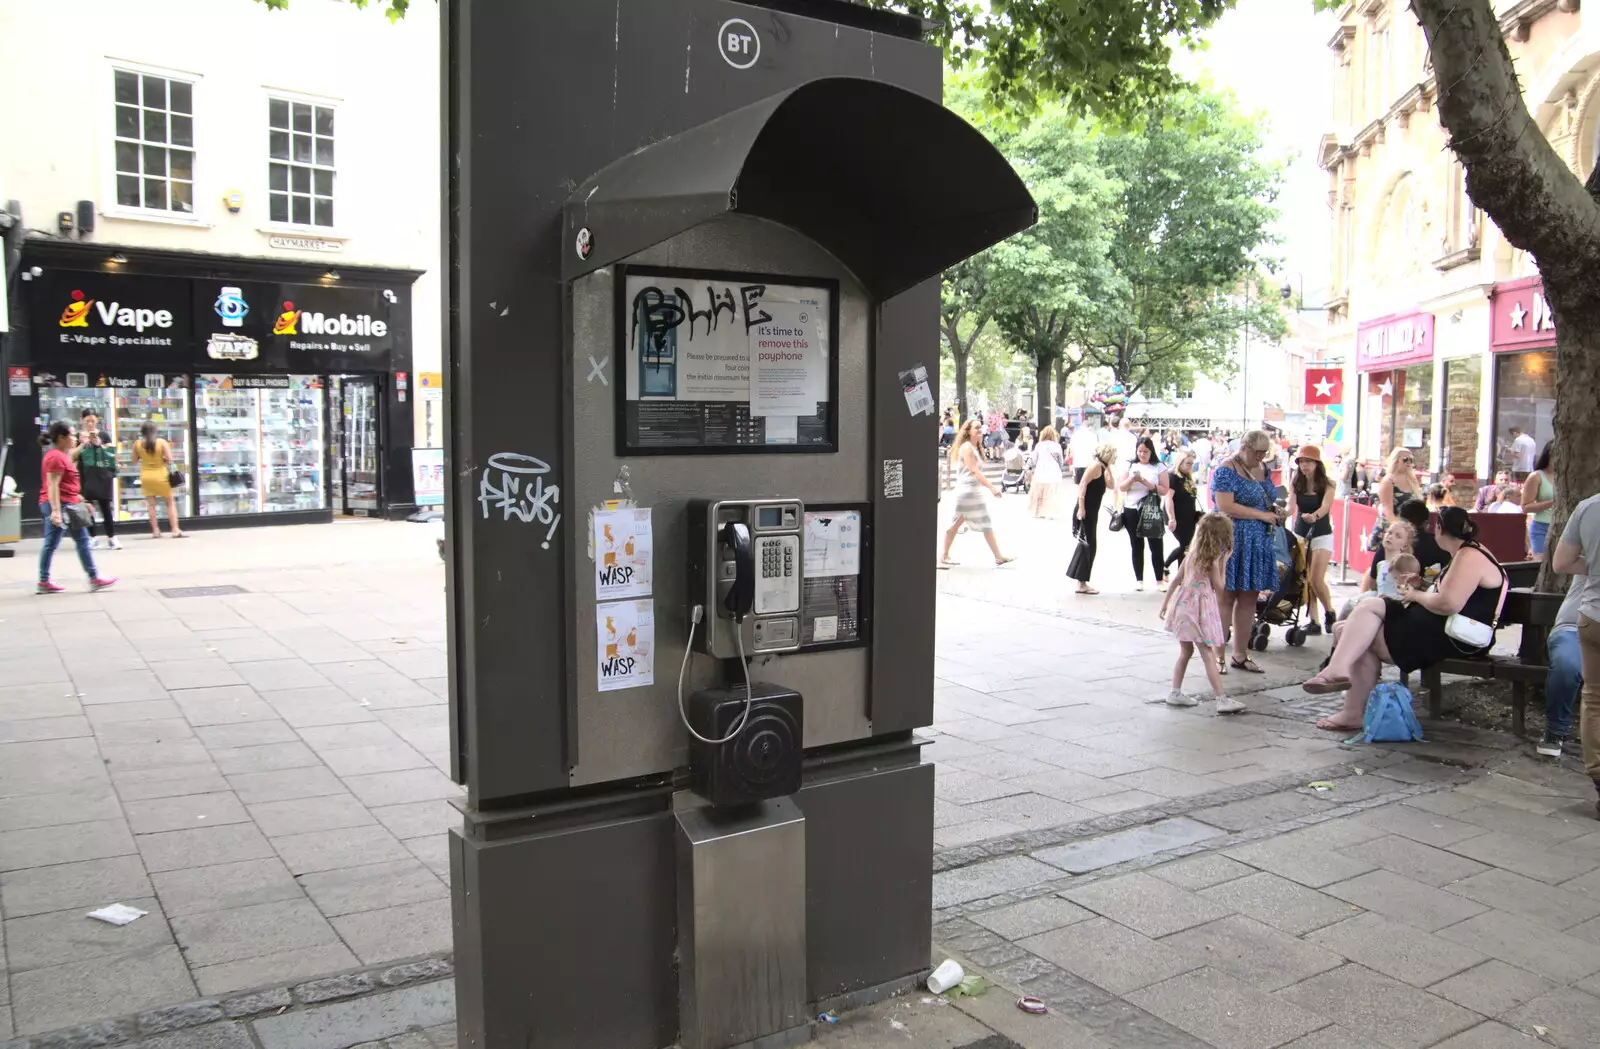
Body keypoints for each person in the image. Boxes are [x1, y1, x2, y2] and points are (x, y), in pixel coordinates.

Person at [1305, 507, 1507, 732]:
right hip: (1437, 629)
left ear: (1440, 529)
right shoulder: (1465, 553)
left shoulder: (1469, 556)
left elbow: (1448, 604)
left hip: (1454, 638)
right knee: (1349, 625)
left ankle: (1342, 687)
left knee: (1362, 622)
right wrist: (1423, 584)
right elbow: (1454, 595)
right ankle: (1345, 693)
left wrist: (1415, 594)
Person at [1211, 430, 1285, 674]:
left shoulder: (1262, 469)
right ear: (1244, 448)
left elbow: (1265, 499)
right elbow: (1225, 506)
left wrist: (1275, 511)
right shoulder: (1226, 470)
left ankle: (1240, 654)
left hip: (1258, 541)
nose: (1261, 458)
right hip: (1232, 538)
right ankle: (1218, 656)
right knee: (1226, 597)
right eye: (1257, 453)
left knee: (1249, 598)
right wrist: (1262, 515)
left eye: (1264, 453)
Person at [1159, 513, 1246, 713]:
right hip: (1199, 611)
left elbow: (1176, 580)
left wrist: (1165, 604)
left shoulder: (1191, 555)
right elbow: (1221, 587)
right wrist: (1224, 562)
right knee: (1207, 653)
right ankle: (1222, 699)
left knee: (1186, 652)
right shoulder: (1212, 560)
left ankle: (1175, 692)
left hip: (1182, 608)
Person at [1551, 491, 1600, 814]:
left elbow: (1561, 563)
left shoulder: (1588, 507)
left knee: (1595, 698)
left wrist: (1594, 565)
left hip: (1593, 616)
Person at [37, 421, 117, 595]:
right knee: (79, 540)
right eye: (71, 435)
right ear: (61, 438)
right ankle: (93, 577)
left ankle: (44, 581)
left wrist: (81, 500)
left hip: (67, 503)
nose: (74, 438)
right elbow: (53, 486)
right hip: (62, 506)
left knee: (53, 543)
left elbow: (66, 485)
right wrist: (56, 511)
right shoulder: (55, 457)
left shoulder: (62, 455)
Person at [940, 417, 1013, 567]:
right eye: (976, 428)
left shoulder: (974, 447)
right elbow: (974, 471)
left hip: (971, 492)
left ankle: (997, 556)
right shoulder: (967, 448)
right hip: (968, 492)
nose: (980, 430)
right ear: (969, 432)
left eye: (980, 427)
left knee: (969, 523)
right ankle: (944, 555)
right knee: (962, 523)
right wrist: (991, 487)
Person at [1538, 570, 1587, 759]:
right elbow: (1560, 562)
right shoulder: (1593, 551)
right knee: (1566, 666)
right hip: (1573, 629)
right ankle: (1555, 731)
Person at [1292, 445, 1338, 634]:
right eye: (1302, 461)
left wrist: (1314, 516)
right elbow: (1290, 505)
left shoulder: (1328, 484)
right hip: (1301, 532)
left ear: (1317, 463)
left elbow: (1326, 506)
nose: (1305, 466)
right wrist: (1281, 512)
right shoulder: (1296, 482)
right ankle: (1314, 621)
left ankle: (1330, 611)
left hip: (1321, 532)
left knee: (1316, 579)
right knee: (1306, 580)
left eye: (1309, 461)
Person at [1117, 437, 1170, 591]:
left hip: (1151, 509)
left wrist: (1146, 482)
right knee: (1136, 544)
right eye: (1139, 451)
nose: (1142, 454)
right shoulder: (1130, 465)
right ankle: (1139, 579)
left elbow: (1164, 489)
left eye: (1145, 451)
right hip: (1132, 508)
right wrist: (1132, 479)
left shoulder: (1159, 466)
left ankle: (1159, 580)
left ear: (1151, 451)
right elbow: (1121, 487)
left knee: (1156, 544)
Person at [1067, 444, 1116, 595]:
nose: (1116, 457)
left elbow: (1111, 485)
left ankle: (1080, 579)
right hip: (1086, 509)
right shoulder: (1095, 466)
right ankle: (1081, 582)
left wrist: (1108, 468)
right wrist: (1081, 508)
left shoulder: (1101, 467)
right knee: (1088, 544)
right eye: (1114, 454)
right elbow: (1082, 485)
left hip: (1092, 510)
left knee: (1087, 543)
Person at [74, 409, 120, 551]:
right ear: (82, 421)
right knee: (88, 507)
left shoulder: (104, 435)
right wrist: (82, 443)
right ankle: (93, 538)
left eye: (92, 420)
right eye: (87, 421)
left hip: (102, 475)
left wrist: (97, 443)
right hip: (86, 475)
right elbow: (74, 457)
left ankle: (111, 537)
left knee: (106, 507)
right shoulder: (78, 437)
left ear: (97, 420)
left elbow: (110, 453)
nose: (90, 424)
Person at [136, 422, 185, 539]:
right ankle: (175, 529)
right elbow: (170, 460)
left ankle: (155, 531)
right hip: (161, 476)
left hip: (146, 476)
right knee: (170, 503)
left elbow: (134, 460)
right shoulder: (161, 443)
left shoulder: (137, 444)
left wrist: (144, 458)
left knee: (151, 505)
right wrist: (161, 459)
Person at [1373, 446, 1423, 549]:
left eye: (1411, 460)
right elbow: (1387, 510)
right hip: (1392, 529)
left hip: (1409, 531)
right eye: (1405, 459)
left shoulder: (1412, 480)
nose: (1408, 462)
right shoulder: (1389, 480)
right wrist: (1400, 530)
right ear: (1396, 461)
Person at [1163, 450, 1201, 573]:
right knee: (1185, 546)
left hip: (1189, 516)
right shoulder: (1173, 477)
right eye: (1188, 463)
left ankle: (1181, 574)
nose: (1190, 466)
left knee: (1187, 546)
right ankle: (1165, 565)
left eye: (1192, 464)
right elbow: (1168, 498)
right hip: (1178, 516)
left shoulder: (1188, 477)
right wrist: (1171, 517)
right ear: (1180, 462)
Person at [1521, 441, 1556, 556]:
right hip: (1542, 527)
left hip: (1563, 527)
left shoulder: (1567, 477)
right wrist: (1552, 503)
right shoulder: (1536, 476)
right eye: (1555, 454)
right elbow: (1525, 507)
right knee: (1541, 564)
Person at [1027, 425, 1066, 519]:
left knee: (1039, 494)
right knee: (1052, 494)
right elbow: (1061, 461)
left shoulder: (1039, 445)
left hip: (1040, 473)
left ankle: (1038, 512)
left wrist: (1029, 466)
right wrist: (1060, 469)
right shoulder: (1057, 446)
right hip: (1053, 473)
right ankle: (1051, 513)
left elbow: (1034, 459)